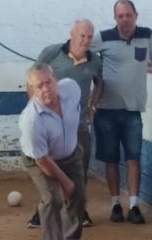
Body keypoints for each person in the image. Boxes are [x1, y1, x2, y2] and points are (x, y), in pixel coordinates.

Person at [93, 0, 152, 225]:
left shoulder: (148, 36)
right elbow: (80, 52)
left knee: (134, 158)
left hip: (133, 110)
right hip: (106, 110)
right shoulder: (102, 39)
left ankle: (134, 205)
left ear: (136, 15)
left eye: (128, 15)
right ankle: (116, 203)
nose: (124, 19)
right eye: (120, 16)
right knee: (111, 159)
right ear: (115, 19)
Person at [27, 19, 103, 229]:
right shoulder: (51, 54)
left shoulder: (95, 61)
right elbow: (32, 81)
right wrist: (35, 111)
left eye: (89, 37)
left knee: (79, 168)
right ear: (72, 34)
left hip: (78, 126)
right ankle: (43, 210)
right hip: (50, 124)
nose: (86, 41)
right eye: (82, 36)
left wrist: (93, 106)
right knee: (50, 169)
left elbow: (100, 84)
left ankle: (79, 211)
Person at [18, 64, 86, 240]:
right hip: (40, 160)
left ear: (55, 80)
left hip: (71, 153)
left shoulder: (72, 89)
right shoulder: (31, 120)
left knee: (79, 197)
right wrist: (65, 183)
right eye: (39, 86)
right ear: (32, 91)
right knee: (53, 199)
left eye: (49, 82)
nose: (46, 88)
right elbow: (43, 160)